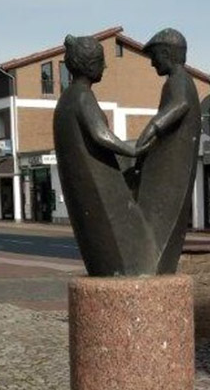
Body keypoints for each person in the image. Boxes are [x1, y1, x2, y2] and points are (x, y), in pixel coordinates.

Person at [53, 35, 158, 276]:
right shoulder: (82, 96)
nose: (105, 67)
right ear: (90, 64)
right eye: (102, 61)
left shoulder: (66, 99)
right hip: (97, 182)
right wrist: (133, 150)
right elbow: (100, 134)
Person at [135, 28, 202, 274]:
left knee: (159, 217)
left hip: (172, 166)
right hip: (170, 162)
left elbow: (180, 104)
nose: (152, 63)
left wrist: (153, 127)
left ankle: (152, 262)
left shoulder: (179, 81)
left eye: (154, 56)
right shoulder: (179, 81)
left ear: (166, 53)